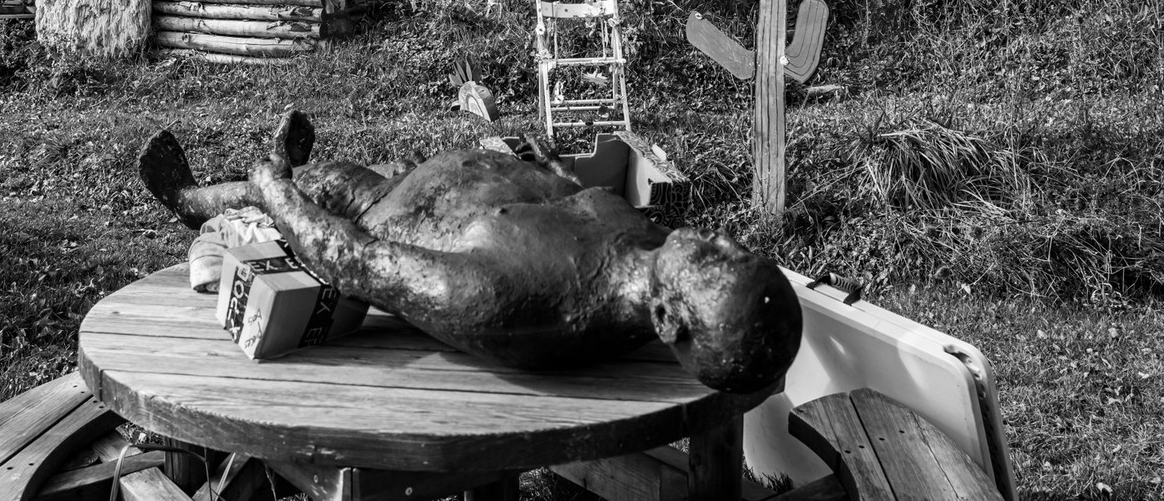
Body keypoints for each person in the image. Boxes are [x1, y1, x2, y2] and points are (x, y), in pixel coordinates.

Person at [140, 111, 801, 394]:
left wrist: (275, 190)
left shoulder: (517, 307)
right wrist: (549, 170)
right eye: (739, 249)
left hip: (382, 218)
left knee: (315, 187)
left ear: (667, 321)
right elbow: (578, 207)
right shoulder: (650, 250)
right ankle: (253, 185)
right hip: (430, 187)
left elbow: (355, 262)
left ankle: (192, 198)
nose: (725, 237)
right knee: (333, 175)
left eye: (720, 260)